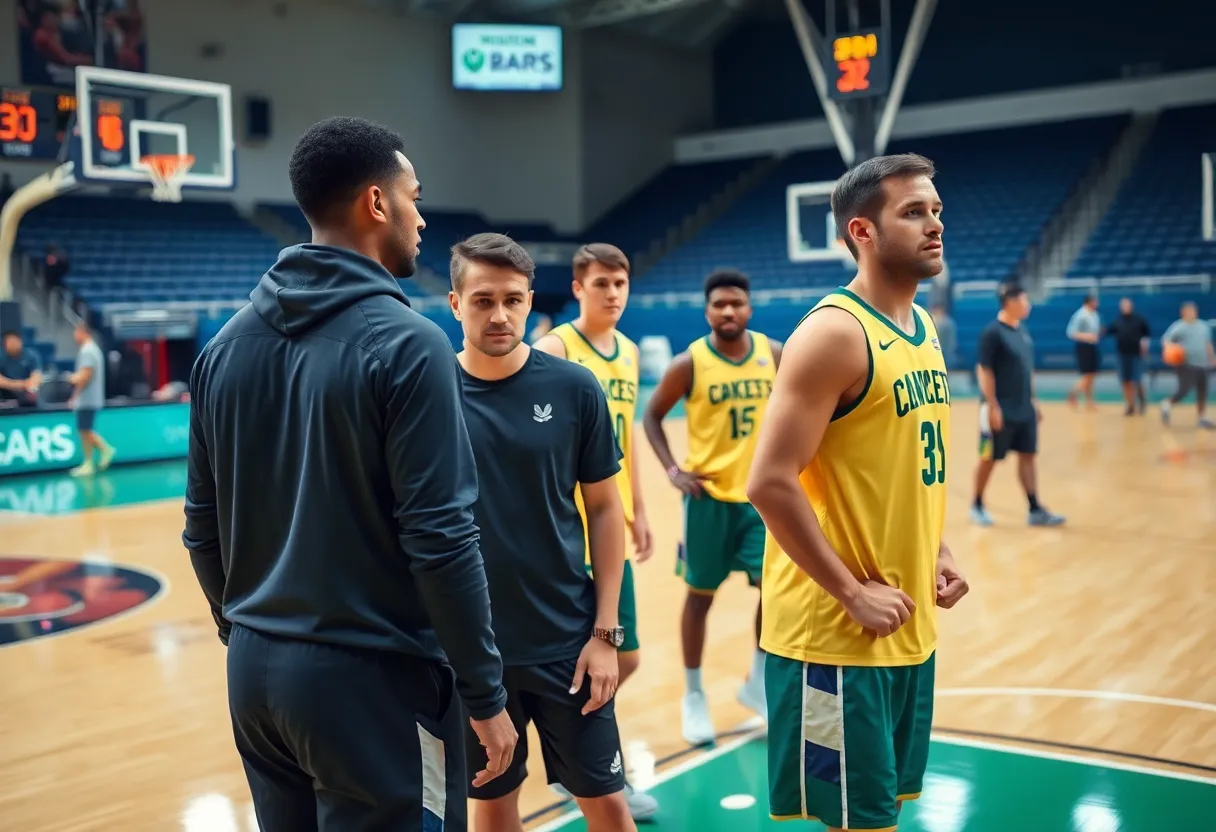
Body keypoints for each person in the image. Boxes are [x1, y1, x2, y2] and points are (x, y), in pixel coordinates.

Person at [181, 116, 516, 832]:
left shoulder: (221, 350)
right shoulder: (409, 344)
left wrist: (245, 632)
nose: (421, 218)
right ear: (375, 204)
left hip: (254, 675)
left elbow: (200, 530)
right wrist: (486, 695)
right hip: (373, 683)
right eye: (413, 197)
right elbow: (442, 539)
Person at [746, 154, 970, 832]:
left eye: (935, 211)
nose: (934, 225)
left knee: (880, 815)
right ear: (862, 231)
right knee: (855, 823)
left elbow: (901, 465)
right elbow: (768, 482)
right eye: (913, 212)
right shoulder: (834, 333)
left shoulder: (922, 327)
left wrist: (936, 547)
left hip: (904, 623)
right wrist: (850, 591)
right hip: (837, 636)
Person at [448, 232, 637, 832]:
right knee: (493, 805)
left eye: (512, 299)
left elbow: (606, 509)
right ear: (455, 304)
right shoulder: (426, 395)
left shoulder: (574, 387)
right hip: (473, 657)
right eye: (482, 300)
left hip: (567, 645)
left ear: (531, 301)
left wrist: (606, 632)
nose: (499, 314)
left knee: (608, 804)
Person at [534, 243, 658, 820]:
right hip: (564, 530)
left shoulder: (629, 352)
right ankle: (596, 774)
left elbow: (626, 434)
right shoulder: (555, 348)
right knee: (587, 657)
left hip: (609, 525)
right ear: (578, 289)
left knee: (622, 658)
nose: (613, 294)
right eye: (601, 284)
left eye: (621, 283)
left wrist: (640, 509)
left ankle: (571, 761)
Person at [641, 267, 780, 746]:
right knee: (699, 599)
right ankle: (694, 695)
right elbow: (652, 416)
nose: (728, 311)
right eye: (719, 304)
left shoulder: (774, 354)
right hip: (708, 502)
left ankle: (758, 683)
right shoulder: (690, 363)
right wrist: (672, 471)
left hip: (762, 501)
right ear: (707, 311)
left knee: (776, 593)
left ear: (749, 308)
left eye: (736, 303)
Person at [970, 284, 1066, 527]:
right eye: (1024, 300)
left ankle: (1035, 508)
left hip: (1024, 408)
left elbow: (1026, 370)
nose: (1028, 305)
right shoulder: (992, 333)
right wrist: (992, 406)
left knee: (1028, 455)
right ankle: (977, 504)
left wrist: (1034, 401)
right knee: (988, 457)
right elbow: (984, 370)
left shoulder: (1022, 331)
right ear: (1009, 302)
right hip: (1000, 408)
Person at [66, 320, 115, 477]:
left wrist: (72, 380)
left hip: (87, 398)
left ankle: (104, 451)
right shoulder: (94, 349)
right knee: (84, 430)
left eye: (75, 332)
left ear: (82, 332)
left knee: (85, 430)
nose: (74, 336)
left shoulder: (87, 351)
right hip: (91, 398)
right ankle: (88, 462)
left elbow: (85, 376)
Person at [1160, 301, 1215, 429]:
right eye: (1188, 311)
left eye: (1193, 311)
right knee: (1183, 391)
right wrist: (1174, 350)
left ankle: (1201, 417)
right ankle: (1167, 403)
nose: (1191, 313)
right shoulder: (1179, 326)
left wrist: (1212, 358)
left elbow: (1208, 343)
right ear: (1183, 313)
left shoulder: (1204, 326)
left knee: (1203, 391)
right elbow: (1166, 340)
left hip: (1203, 364)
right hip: (1186, 365)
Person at [1104, 297, 1150, 415]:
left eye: (1127, 305)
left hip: (1136, 355)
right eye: (1123, 305)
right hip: (1122, 355)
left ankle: (1142, 400)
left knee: (1137, 380)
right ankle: (1130, 405)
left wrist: (1145, 347)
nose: (1126, 307)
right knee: (1125, 381)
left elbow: (1146, 335)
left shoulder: (1139, 320)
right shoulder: (1117, 321)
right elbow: (1107, 331)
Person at [1065, 294, 1101, 409]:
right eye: (1095, 301)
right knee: (1086, 375)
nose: (1097, 303)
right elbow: (1071, 332)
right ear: (1089, 302)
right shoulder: (1080, 315)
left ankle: (1089, 401)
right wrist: (1087, 336)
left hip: (1093, 346)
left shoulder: (1094, 314)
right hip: (1084, 346)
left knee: (1092, 374)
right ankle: (1073, 393)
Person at [0, 329, 43, 409]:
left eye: (16, 341)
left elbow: (37, 376)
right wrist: (22, 384)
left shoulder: (31, 355)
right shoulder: (1, 357)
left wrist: (32, 388)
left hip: (27, 394)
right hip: (6, 396)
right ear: (5, 344)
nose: (14, 344)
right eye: (11, 342)